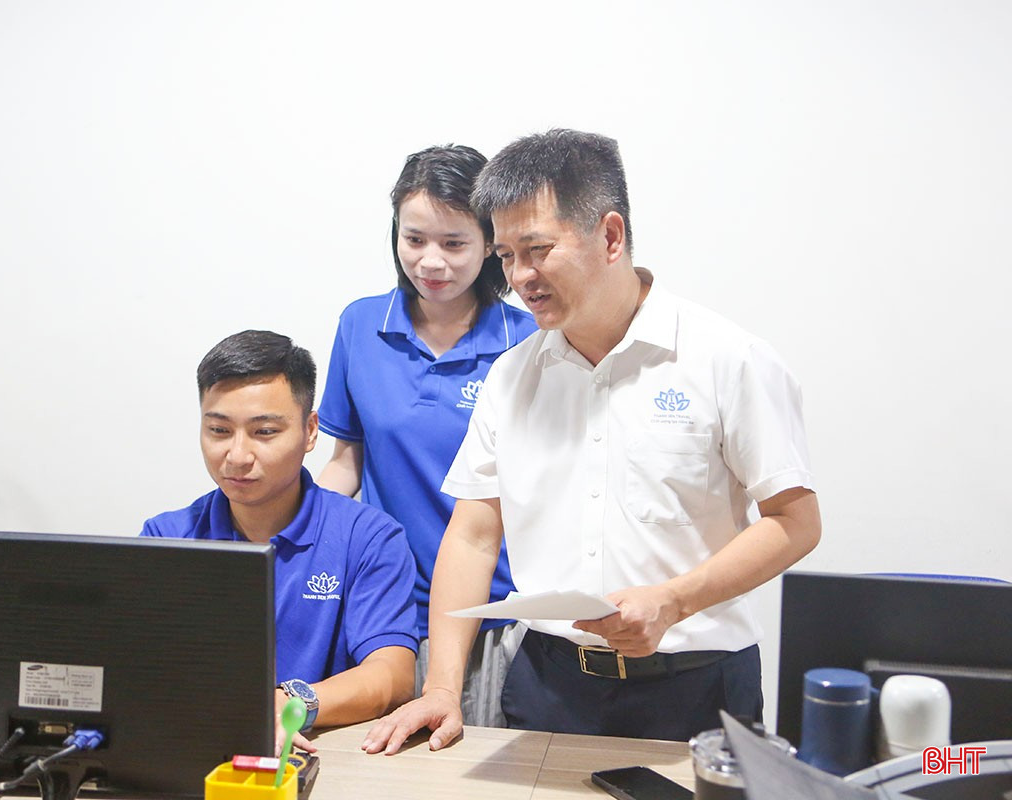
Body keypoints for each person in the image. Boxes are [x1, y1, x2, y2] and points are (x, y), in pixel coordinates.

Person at [362, 130, 821, 754]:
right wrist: (442, 688)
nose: (520, 277)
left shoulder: (727, 359)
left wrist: (673, 601)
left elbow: (796, 521)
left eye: (538, 250)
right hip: (547, 685)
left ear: (610, 236)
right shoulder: (512, 376)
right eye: (506, 256)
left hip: (699, 687)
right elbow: (472, 535)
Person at [316, 145, 537, 727]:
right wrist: (290, 539)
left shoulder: (529, 340)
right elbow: (346, 462)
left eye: (454, 244)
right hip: (380, 606)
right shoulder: (361, 325)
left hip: (491, 612)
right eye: (414, 239)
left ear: (489, 243)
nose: (431, 262)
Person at [140, 330, 417, 754]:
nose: (237, 455)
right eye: (218, 430)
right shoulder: (168, 538)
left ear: (310, 431)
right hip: (196, 751)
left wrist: (292, 702)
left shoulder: (369, 537)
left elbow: (393, 676)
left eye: (264, 431)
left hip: (324, 754)